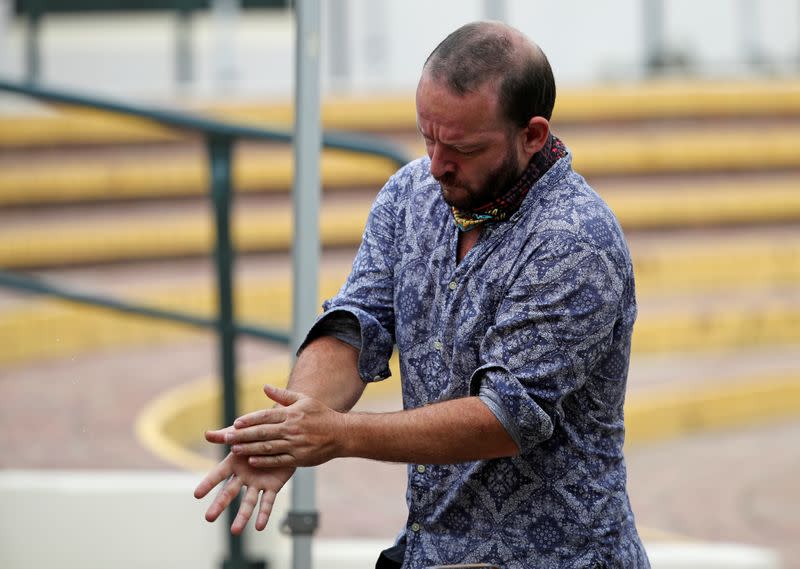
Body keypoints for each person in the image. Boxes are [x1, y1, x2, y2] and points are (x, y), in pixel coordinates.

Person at [194, 21, 650, 569]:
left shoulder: (575, 239)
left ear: (532, 136)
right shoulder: (411, 192)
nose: (436, 165)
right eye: (427, 137)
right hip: (432, 552)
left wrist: (336, 434)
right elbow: (355, 324)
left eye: (462, 147)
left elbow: (505, 418)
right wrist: (294, 426)